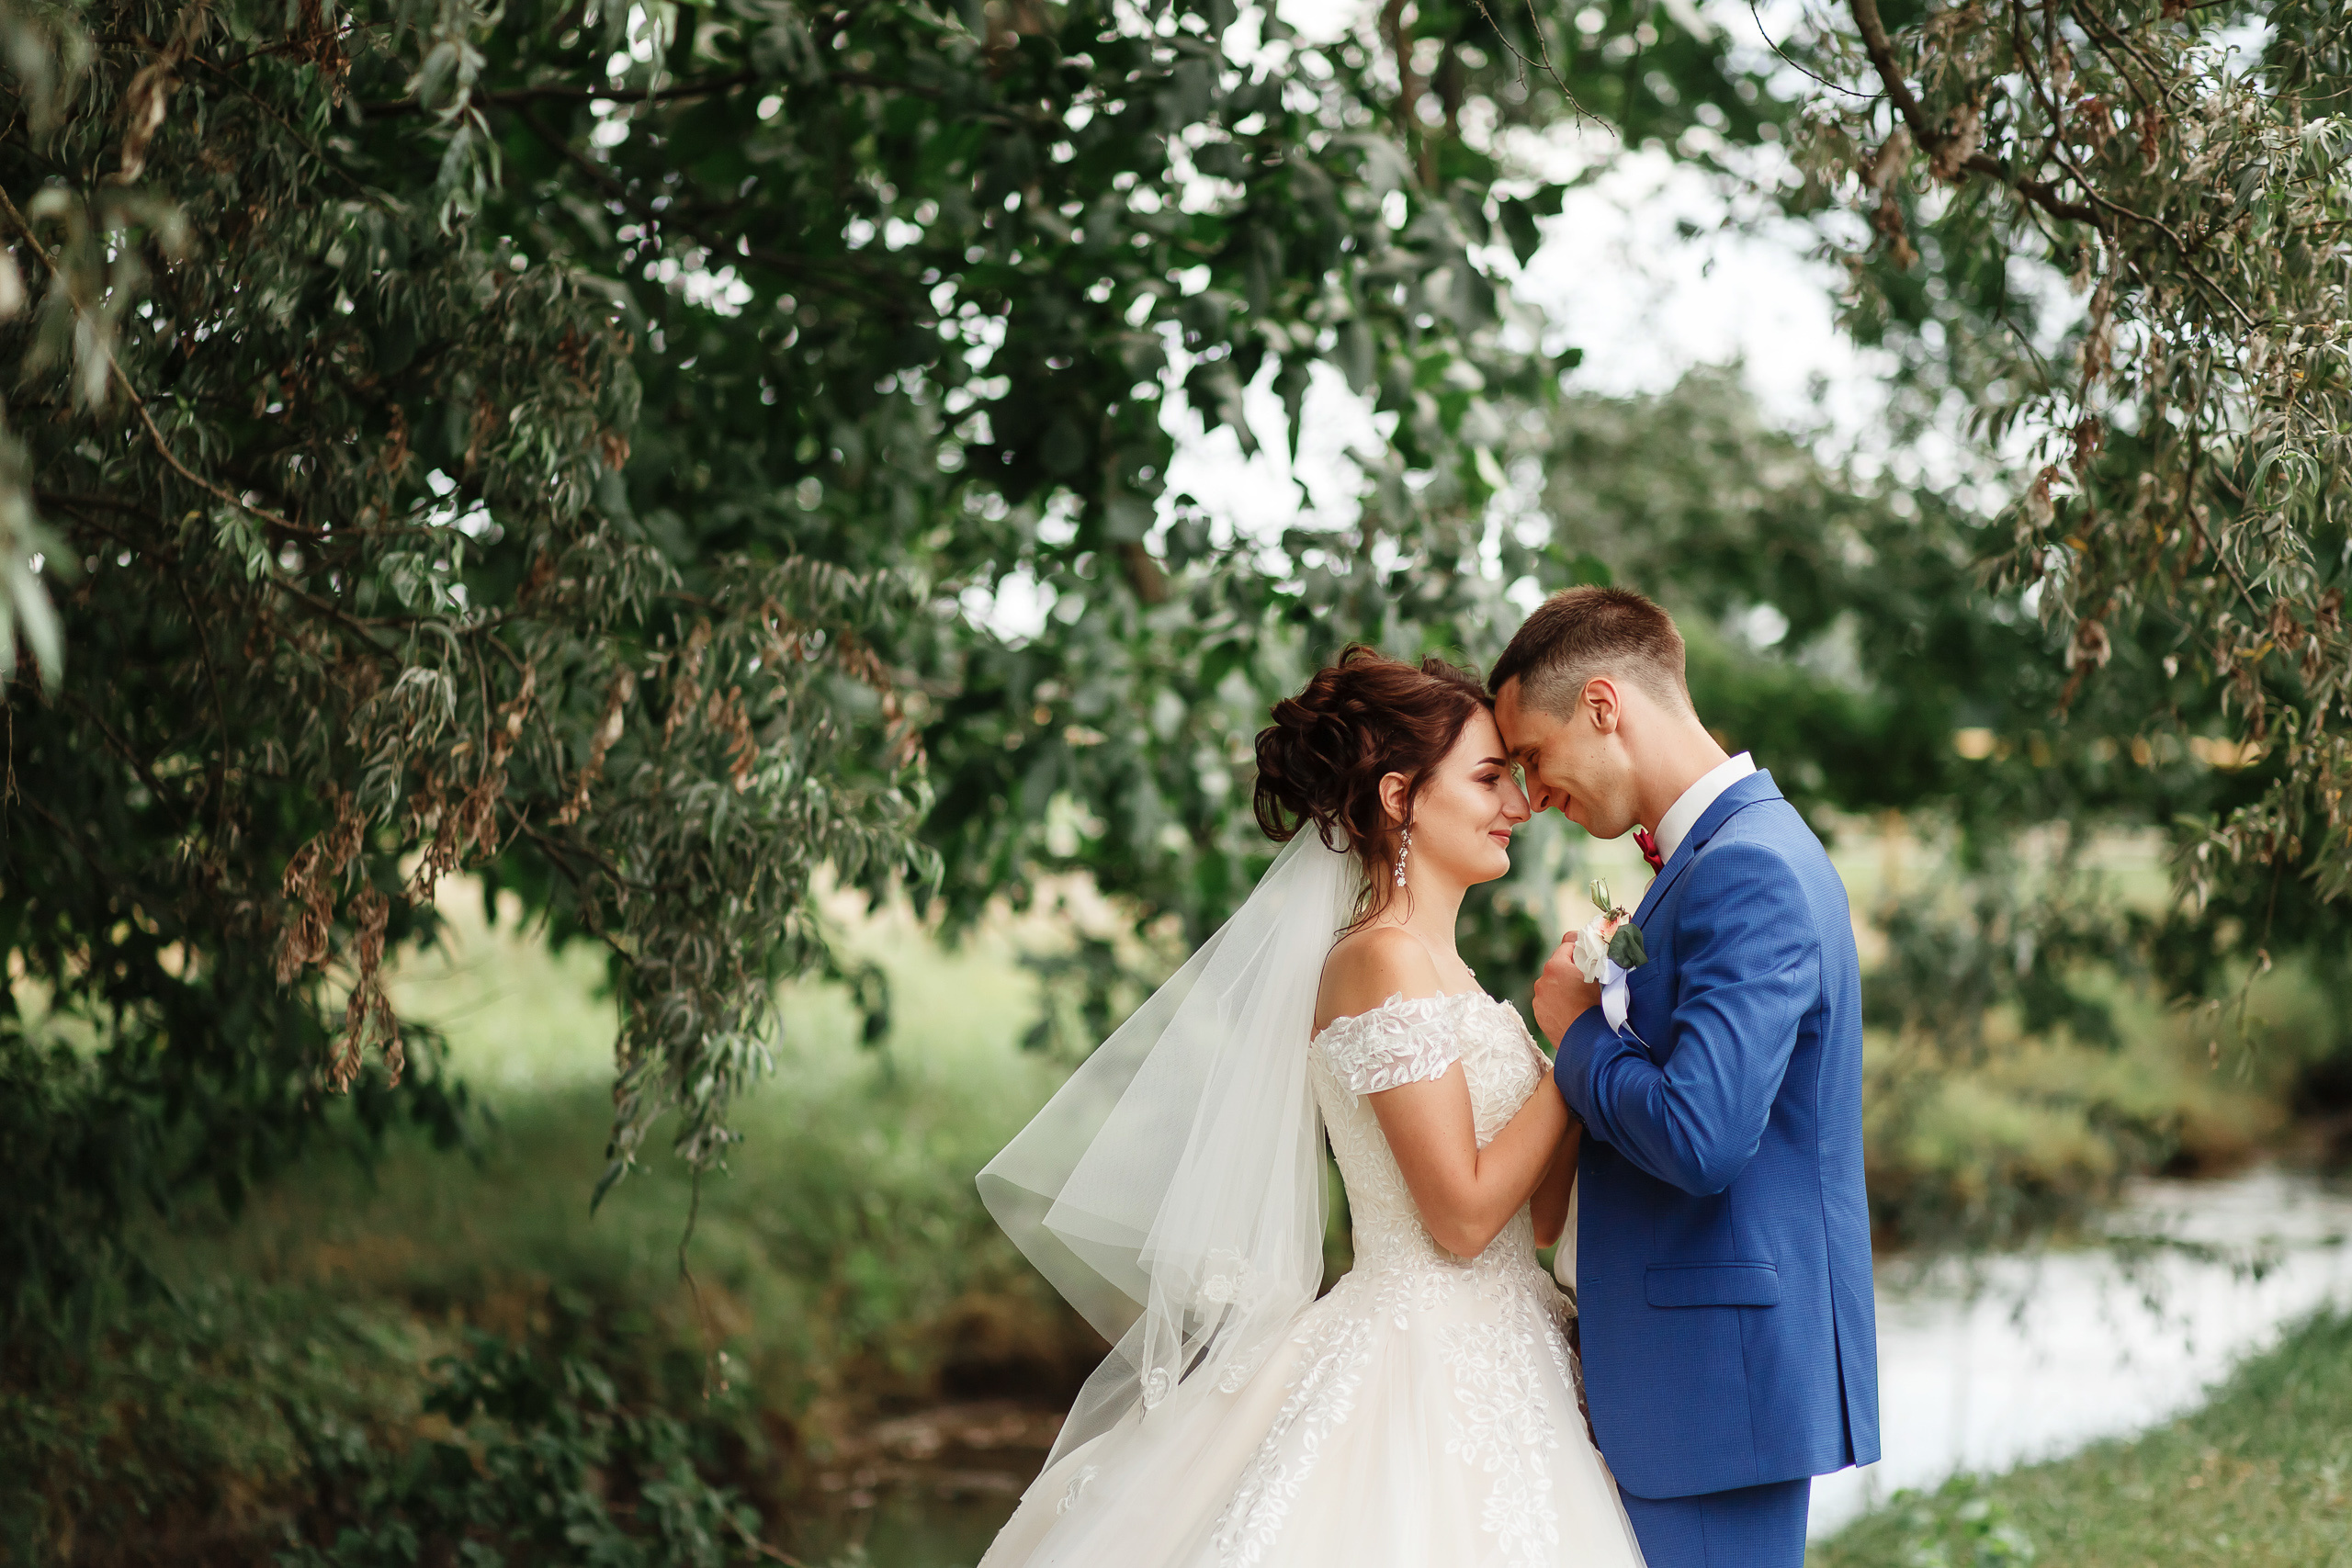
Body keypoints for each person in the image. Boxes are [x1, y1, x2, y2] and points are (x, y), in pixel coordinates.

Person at [974, 646, 1645, 1568]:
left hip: (1511, 1350)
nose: (1518, 807)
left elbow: (1534, 1214)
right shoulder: (1380, 960)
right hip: (1415, 1359)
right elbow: (1457, 1218)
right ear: (1399, 798)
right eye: (1489, 779)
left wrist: (1590, 1031)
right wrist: (1577, 1050)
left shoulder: (1453, 975)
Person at [1489, 586, 1880, 1568]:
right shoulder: (1716, 857)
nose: (1530, 795)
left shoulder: (1747, 868)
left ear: (1604, 707)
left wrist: (1578, 1033)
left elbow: (1701, 1136)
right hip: (1692, 1376)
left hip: (1714, 1388)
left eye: (1532, 757)